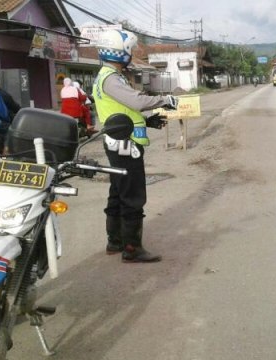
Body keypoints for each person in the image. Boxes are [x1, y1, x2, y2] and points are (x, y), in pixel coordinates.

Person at [93, 29, 177, 263]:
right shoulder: (110, 77)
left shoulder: (111, 76)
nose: (132, 54)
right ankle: (131, 248)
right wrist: (165, 99)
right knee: (133, 195)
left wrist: (147, 121)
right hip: (124, 145)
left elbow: (124, 109)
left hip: (121, 140)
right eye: (130, 50)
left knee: (118, 192)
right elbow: (136, 101)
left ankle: (115, 241)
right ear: (122, 52)